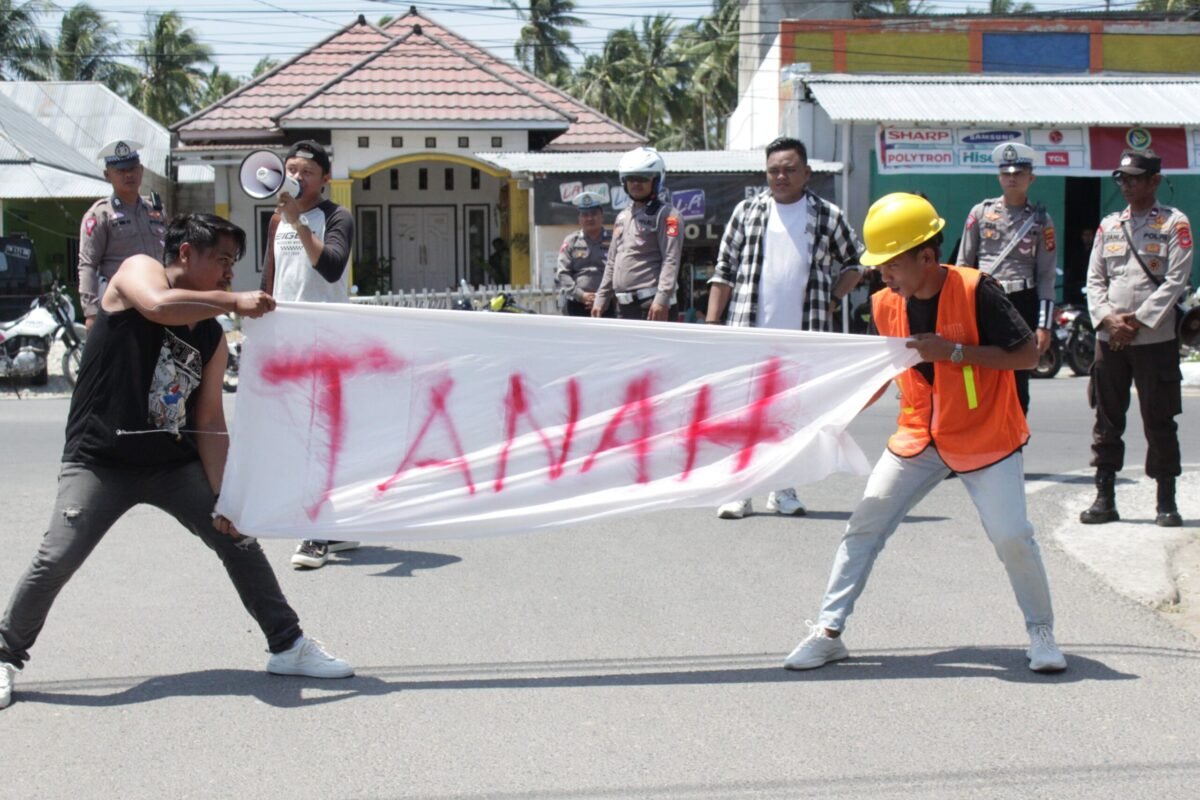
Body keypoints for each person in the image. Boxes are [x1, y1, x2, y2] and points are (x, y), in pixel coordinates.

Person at [0, 214, 353, 711]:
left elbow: (208, 420)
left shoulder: (210, 336)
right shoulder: (137, 271)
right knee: (57, 556)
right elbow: (158, 305)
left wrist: (229, 497)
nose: (231, 273)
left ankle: (288, 645)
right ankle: (4, 653)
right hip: (100, 460)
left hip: (171, 464)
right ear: (186, 253)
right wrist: (234, 303)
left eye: (235, 263)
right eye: (223, 260)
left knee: (238, 539)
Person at [782, 192, 1066, 674]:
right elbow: (878, 374)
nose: (883, 275)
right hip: (918, 436)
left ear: (927, 257)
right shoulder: (883, 305)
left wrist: (953, 352)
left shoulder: (978, 290)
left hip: (986, 438)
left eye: (891, 265)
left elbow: (1027, 357)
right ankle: (828, 633)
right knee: (864, 528)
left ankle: (1041, 632)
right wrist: (830, 415)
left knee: (1012, 536)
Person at [706, 136, 864, 520]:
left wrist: (833, 298)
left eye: (790, 169)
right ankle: (740, 491)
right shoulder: (747, 212)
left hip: (803, 336)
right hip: (750, 330)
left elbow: (856, 264)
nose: (781, 176)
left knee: (791, 415)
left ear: (806, 173)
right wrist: (711, 325)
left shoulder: (828, 215)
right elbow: (723, 272)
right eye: (774, 169)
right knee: (747, 413)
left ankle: (783, 489)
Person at [260, 140, 360, 569]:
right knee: (299, 434)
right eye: (291, 169)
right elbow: (271, 274)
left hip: (326, 341)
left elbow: (331, 266)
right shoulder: (275, 221)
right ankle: (329, 526)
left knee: (319, 435)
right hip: (287, 341)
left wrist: (299, 222)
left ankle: (316, 533)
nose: (296, 178)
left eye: (306, 172)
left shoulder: (338, 217)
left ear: (325, 179)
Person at [1080, 149, 1191, 528]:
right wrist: (1108, 320)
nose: (1126, 185)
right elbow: (1094, 280)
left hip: (1154, 340)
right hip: (1111, 339)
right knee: (1107, 420)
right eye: (1121, 179)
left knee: (1159, 420)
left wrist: (1137, 322)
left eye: (1134, 178)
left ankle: (1166, 501)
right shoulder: (1110, 225)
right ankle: (1104, 497)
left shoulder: (1174, 224)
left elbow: (1175, 281)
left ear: (1154, 180)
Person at [956, 142, 1058, 416]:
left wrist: (1044, 325)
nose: (1012, 178)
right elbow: (964, 264)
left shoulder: (1041, 221)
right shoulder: (981, 212)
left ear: (1031, 178)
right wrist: (961, 308)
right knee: (979, 369)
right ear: (999, 177)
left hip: (1021, 301)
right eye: (1007, 172)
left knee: (1018, 376)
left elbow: (1046, 275)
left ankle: (1014, 441)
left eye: (1019, 172)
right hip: (986, 297)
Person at [77, 140, 168, 329]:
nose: (128, 175)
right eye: (120, 171)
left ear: (141, 170)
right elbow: (88, 265)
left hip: (159, 303)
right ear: (107, 175)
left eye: (133, 168)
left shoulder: (156, 211)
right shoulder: (100, 214)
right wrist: (91, 312)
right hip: (121, 307)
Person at [591, 147, 683, 321]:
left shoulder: (668, 215)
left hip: (651, 305)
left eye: (642, 178)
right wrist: (602, 296)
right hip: (623, 306)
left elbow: (671, 259)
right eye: (630, 178)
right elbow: (612, 261)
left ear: (656, 180)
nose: (635, 183)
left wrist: (662, 299)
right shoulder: (622, 217)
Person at [556, 192, 613, 317]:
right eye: (585, 215)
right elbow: (563, 273)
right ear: (579, 219)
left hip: (608, 304)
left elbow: (621, 270)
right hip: (576, 304)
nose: (589, 218)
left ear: (602, 216)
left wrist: (602, 296)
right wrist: (581, 295)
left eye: (593, 214)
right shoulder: (571, 241)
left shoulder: (614, 240)